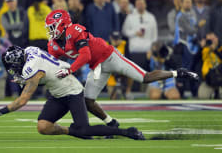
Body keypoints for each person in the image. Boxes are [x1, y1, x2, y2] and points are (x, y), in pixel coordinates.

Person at [45, 9, 199, 128]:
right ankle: (111, 123)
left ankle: (178, 72)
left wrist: (69, 70)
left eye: (52, 27)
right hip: (97, 66)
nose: (50, 31)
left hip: (111, 57)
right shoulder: (54, 44)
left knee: (145, 78)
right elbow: (51, 63)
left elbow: (85, 55)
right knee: (88, 101)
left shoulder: (75, 31)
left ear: (63, 25)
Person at [0, 46, 145, 140]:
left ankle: (127, 132)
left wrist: (0, 111)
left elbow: (23, 100)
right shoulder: (30, 51)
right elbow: (45, 71)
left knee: (84, 130)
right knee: (43, 126)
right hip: (58, 92)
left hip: (72, 90)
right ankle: (73, 131)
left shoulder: (31, 68)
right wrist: (26, 79)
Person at [122, 0, 158, 71]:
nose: (140, 5)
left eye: (142, 3)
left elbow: (155, 35)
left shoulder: (151, 17)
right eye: (138, 4)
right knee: (136, 77)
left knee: (149, 76)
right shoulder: (130, 17)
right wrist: (135, 33)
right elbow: (124, 31)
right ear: (135, 5)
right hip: (134, 51)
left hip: (147, 51)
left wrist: (152, 50)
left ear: (145, 5)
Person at [199, 32, 222, 99]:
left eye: (213, 39)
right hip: (208, 80)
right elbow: (195, 61)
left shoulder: (220, 48)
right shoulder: (204, 50)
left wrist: (215, 50)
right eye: (209, 40)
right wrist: (201, 47)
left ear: (217, 38)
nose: (211, 41)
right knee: (203, 96)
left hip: (220, 78)